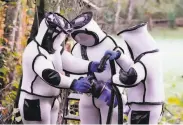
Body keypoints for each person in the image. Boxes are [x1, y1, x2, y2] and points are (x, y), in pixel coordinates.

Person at [18, 12, 107, 124]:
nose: (61, 38)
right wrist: (73, 83)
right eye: (59, 35)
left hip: (51, 100)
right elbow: (50, 75)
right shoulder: (34, 51)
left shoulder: (53, 50)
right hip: (34, 102)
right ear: (49, 33)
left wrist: (90, 65)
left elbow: (70, 62)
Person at [70, 11, 130, 124]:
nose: (82, 39)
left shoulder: (111, 43)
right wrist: (79, 81)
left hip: (111, 95)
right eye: (78, 37)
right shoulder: (76, 48)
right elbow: (73, 68)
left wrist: (119, 56)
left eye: (84, 36)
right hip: (87, 96)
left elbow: (129, 70)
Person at [112, 23, 165, 124]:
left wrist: (113, 79)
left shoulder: (146, 60)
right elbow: (132, 66)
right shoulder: (152, 56)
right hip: (148, 106)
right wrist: (119, 56)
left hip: (144, 109)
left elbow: (130, 78)